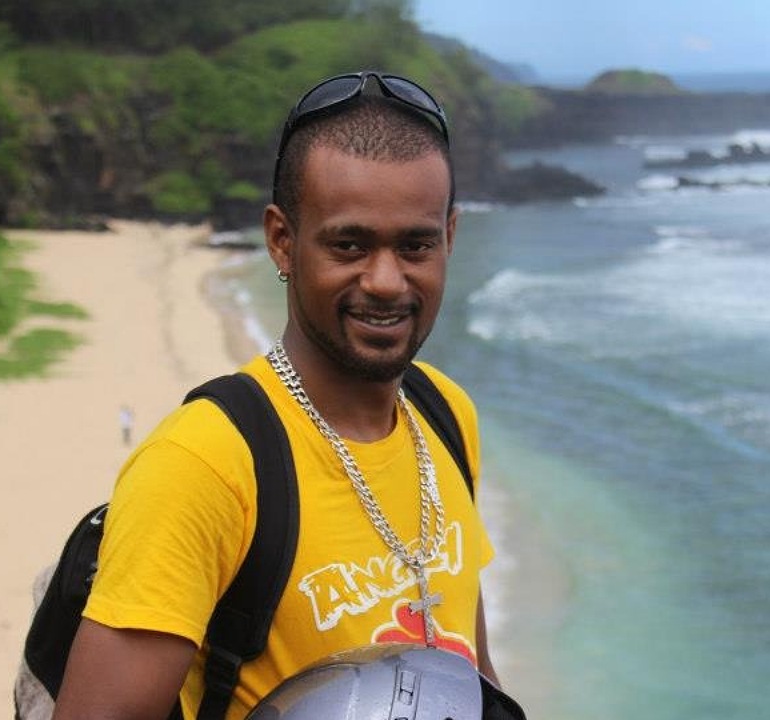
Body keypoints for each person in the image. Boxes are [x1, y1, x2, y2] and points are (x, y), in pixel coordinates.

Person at [51, 71, 502, 720]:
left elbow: (473, 673)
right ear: (282, 242)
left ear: (449, 239)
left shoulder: (446, 413)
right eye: (349, 244)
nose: (385, 280)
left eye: (416, 245)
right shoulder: (206, 464)